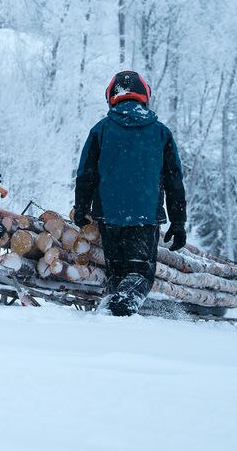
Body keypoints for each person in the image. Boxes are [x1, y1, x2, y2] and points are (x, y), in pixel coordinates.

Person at [71, 71, 187, 316]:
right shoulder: (160, 133)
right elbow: (174, 180)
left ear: (111, 96)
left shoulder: (101, 130)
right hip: (144, 218)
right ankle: (120, 312)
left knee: (118, 274)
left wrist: (81, 208)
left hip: (109, 216)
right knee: (140, 274)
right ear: (145, 96)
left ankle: (115, 319)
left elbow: (86, 175)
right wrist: (178, 222)